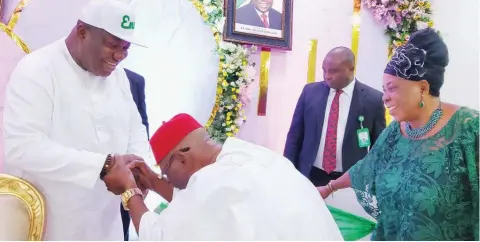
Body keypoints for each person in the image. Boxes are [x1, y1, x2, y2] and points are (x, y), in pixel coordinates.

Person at [2, 0, 153, 240]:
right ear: (83, 31)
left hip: (106, 227)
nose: (120, 55)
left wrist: (141, 168)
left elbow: (135, 132)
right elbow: (21, 148)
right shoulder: (37, 69)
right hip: (52, 224)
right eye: (113, 44)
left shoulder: (119, 78)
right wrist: (103, 166)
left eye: (126, 47)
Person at [317, 28, 479, 240]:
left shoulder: (469, 129)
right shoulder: (395, 132)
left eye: (392, 89)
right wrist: (329, 188)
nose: (385, 98)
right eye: (384, 90)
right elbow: (366, 167)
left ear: (422, 88)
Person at [105, 113, 344, 240]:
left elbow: (158, 237)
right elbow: (200, 208)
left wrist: (129, 189)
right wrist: (155, 182)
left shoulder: (213, 181)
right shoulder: (249, 154)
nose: (169, 181)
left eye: (166, 173)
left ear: (181, 158)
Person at [284, 47, 386, 186]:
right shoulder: (310, 92)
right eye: (324, 70)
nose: (327, 76)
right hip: (310, 175)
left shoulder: (373, 99)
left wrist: (374, 181)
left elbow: (378, 147)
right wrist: (287, 171)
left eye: (333, 71)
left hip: (349, 181)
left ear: (351, 69)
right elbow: (294, 136)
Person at [121, 68, 150, 241]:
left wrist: (139, 163)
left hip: (128, 167)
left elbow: (142, 122)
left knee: (123, 217)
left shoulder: (135, 80)